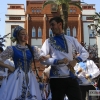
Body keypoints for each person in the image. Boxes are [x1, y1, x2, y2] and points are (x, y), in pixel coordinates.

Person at [39, 16, 89, 100]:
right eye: (50, 25)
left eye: (52, 25)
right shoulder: (48, 41)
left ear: (60, 24)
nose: (51, 27)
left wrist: (75, 60)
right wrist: (57, 61)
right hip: (56, 79)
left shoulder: (71, 39)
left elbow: (85, 53)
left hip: (71, 77)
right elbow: (42, 60)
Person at [0, 26, 42, 100]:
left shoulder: (32, 49)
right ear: (17, 36)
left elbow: (42, 58)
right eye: (23, 34)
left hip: (30, 76)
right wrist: (8, 66)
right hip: (17, 77)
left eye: (26, 34)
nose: (25, 36)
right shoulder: (11, 49)